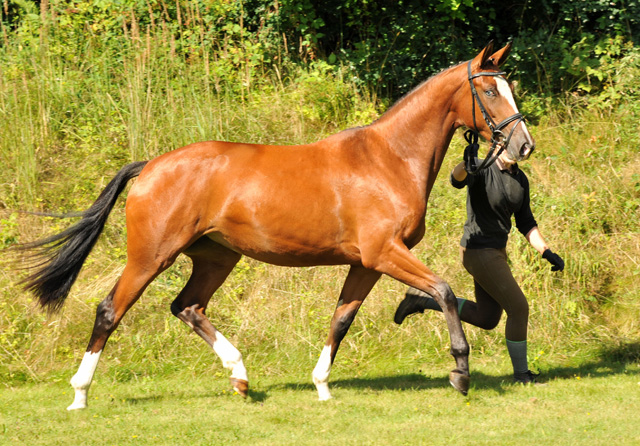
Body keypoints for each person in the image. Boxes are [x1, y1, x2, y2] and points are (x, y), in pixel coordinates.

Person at [394, 149, 564, 384]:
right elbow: (456, 180)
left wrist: (546, 251)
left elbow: (525, 221)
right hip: (477, 251)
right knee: (518, 308)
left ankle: (421, 301)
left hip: (497, 251)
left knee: (487, 318)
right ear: (498, 142)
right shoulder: (481, 166)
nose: (514, 151)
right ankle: (522, 375)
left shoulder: (520, 179)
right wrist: (465, 163)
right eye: (509, 145)